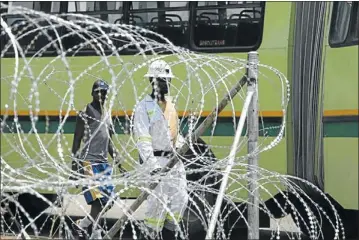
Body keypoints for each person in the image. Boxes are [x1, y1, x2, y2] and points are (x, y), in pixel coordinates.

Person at [133, 59, 189, 239]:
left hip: (174, 162)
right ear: (153, 81)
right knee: (155, 210)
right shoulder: (144, 107)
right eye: (162, 80)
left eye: (168, 80)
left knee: (179, 203)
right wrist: (152, 166)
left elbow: (175, 133)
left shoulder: (171, 105)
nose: (167, 84)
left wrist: (182, 147)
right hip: (157, 162)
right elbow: (142, 138)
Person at [70, 79, 122, 240]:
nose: (102, 95)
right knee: (98, 201)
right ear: (92, 93)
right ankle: (96, 233)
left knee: (109, 201)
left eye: (104, 92)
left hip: (103, 163)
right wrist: (74, 165)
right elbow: (77, 139)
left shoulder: (107, 113)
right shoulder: (86, 112)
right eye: (98, 92)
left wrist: (117, 158)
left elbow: (109, 141)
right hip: (89, 162)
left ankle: (84, 224)